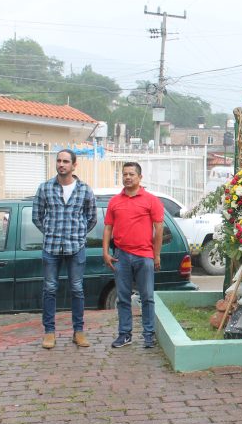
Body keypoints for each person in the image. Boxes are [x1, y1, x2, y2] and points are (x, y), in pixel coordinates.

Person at [32, 149, 97, 350]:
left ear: (74, 165)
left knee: (77, 289)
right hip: (51, 247)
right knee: (50, 289)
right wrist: (51, 231)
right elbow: (37, 216)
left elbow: (92, 218)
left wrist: (77, 234)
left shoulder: (85, 190)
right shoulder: (45, 188)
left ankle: (78, 332)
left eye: (66, 161)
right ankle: (49, 332)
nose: (61, 164)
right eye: (59, 161)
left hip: (76, 248)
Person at [102, 162, 164, 349]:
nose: (127, 177)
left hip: (144, 256)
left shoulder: (151, 200)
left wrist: (156, 255)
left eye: (131, 174)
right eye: (125, 174)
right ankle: (124, 334)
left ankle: (148, 335)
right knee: (123, 298)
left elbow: (159, 228)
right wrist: (105, 252)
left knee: (147, 297)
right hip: (121, 256)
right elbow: (107, 228)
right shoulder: (115, 201)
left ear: (140, 177)